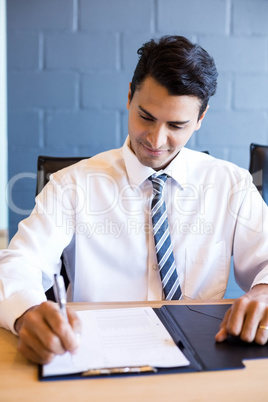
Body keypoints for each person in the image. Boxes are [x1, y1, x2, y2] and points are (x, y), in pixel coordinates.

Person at [0, 35, 268, 365]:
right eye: (146, 117)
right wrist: (27, 312)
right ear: (129, 96)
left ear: (200, 118)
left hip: (203, 358)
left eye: (176, 125)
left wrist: (263, 292)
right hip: (96, 359)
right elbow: (19, 263)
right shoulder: (72, 184)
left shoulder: (231, 184)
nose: (156, 140)